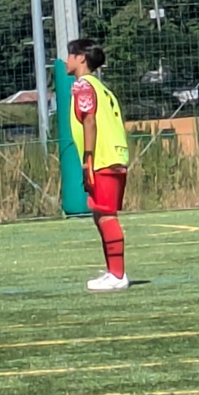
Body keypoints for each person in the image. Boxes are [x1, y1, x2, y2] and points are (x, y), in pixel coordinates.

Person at [66, 39, 130, 291]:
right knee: (99, 214)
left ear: (81, 58)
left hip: (102, 158)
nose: (66, 61)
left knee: (106, 214)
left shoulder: (82, 85)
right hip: (115, 155)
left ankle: (118, 275)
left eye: (70, 55)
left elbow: (89, 120)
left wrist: (87, 158)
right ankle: (112, 270)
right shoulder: (101, 87)